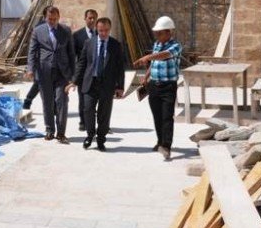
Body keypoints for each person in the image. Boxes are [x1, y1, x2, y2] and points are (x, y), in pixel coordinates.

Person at [67, 17, 125, 151]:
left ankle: (101, 139)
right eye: (100, 30)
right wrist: (74, 81)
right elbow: (82, 63)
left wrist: (120, 86)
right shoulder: (89, 43)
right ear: (96, 29)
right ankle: (90, 135)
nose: (103, 33)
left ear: (109, 29)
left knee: (104, 113)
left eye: (106, 30)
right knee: (87, 110)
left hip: (107, 84)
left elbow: (119, 67)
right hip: (90, 83)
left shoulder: (115, 45)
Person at [134, 16, 182, 161]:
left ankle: (166, 146)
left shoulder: (175, 46)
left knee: (167, 116)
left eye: (160, 33)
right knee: (157, 116)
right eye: (157, 33)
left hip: (168, 86)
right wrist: (146, 76)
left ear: (168, 32)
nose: (157, 35)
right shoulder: (156, 44)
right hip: (154, 85)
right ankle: (160, 141)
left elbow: (164, 56)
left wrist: (148, 57)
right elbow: (154, 63)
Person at [26, 6, 75, 143]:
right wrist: (30, 69)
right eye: (50, 19)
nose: (52, 21)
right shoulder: (38, 31)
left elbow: (71, 53)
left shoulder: (65, 31)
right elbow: (32, 51)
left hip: (62, 73)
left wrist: (74, 76)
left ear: (59, 17)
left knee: (61, 101)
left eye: (55, 19)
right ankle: (49, 130)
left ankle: (61, 132)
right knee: (47, 102)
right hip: (44, 72)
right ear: (45, 18)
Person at [72, 9, 99, 131]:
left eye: (94, 18)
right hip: (83, 73)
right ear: (85, 18)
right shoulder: (77, 35)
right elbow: (73, 56)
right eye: (90, 18)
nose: (92, 20)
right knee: (83, 98)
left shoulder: (100, 34)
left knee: (98, 98)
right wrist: (74, 75)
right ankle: (83, 121)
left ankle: (98, 121)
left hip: (98, 72)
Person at [21, 6, 49, 110]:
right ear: (45, 16)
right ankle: (27, 101)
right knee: (39, 83)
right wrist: (31, 67)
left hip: (50, 61)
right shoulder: (39, 27)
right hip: (40, 61)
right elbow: (33, 48)